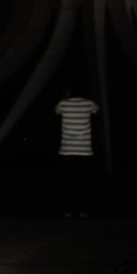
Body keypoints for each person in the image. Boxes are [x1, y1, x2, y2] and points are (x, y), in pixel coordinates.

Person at [55, 86, 99, 217]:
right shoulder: (89, 103)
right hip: (85, 151)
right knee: (84, 182)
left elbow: (56, 112)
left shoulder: (62, 103)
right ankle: (84, 211)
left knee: (69, 182)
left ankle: (69, 210)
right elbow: (97, 110)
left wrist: (65, 97)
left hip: (67, 150)